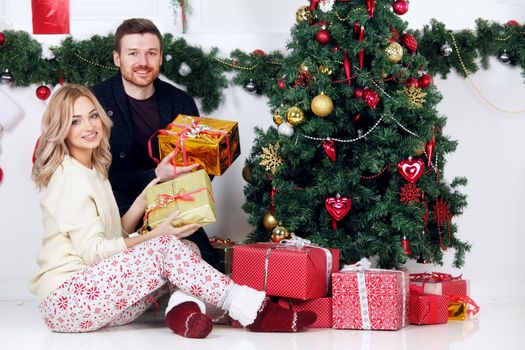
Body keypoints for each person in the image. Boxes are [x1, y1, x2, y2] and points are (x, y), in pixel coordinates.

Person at [29, 84, 316, 337]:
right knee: (166, 247)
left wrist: (147, 194)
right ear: (61, 129)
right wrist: (157, 237)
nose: (89, 126)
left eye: (92, 115)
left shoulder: (93, 168)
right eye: (75, 121)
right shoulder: (68, 178)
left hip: (97, 300)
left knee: (187, 249)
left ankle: (183, 313)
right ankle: (256, 311)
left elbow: (116, 232)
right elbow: (95, 253)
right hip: (67, 300)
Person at [91, 18, 217, 267]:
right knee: (134, 263)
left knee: (207, 265)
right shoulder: (95, 101)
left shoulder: (181, 102)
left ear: (161, 57)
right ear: (117, 58)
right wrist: (155, 175)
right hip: (115, 202)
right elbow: (92, 171)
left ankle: (184, 303)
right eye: (133, 53)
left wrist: (190, 173)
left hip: (171, 200)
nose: (143, 63)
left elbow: (201, 168)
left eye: (151, 53)